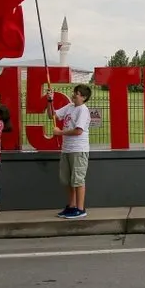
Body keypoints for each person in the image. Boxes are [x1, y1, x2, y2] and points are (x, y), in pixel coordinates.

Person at [46, 85, 92, 219]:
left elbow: (78, 131)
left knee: (78, 180)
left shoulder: (83, 110)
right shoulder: (70, 107)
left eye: (76, 94)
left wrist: (60, 132)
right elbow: (51, 115)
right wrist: (50, 101)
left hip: (79, 150)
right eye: (74, 93)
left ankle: (80, 208)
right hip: (66, 149)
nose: (73, 95)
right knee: (67, 180)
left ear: (83, 97)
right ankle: (71, 206)